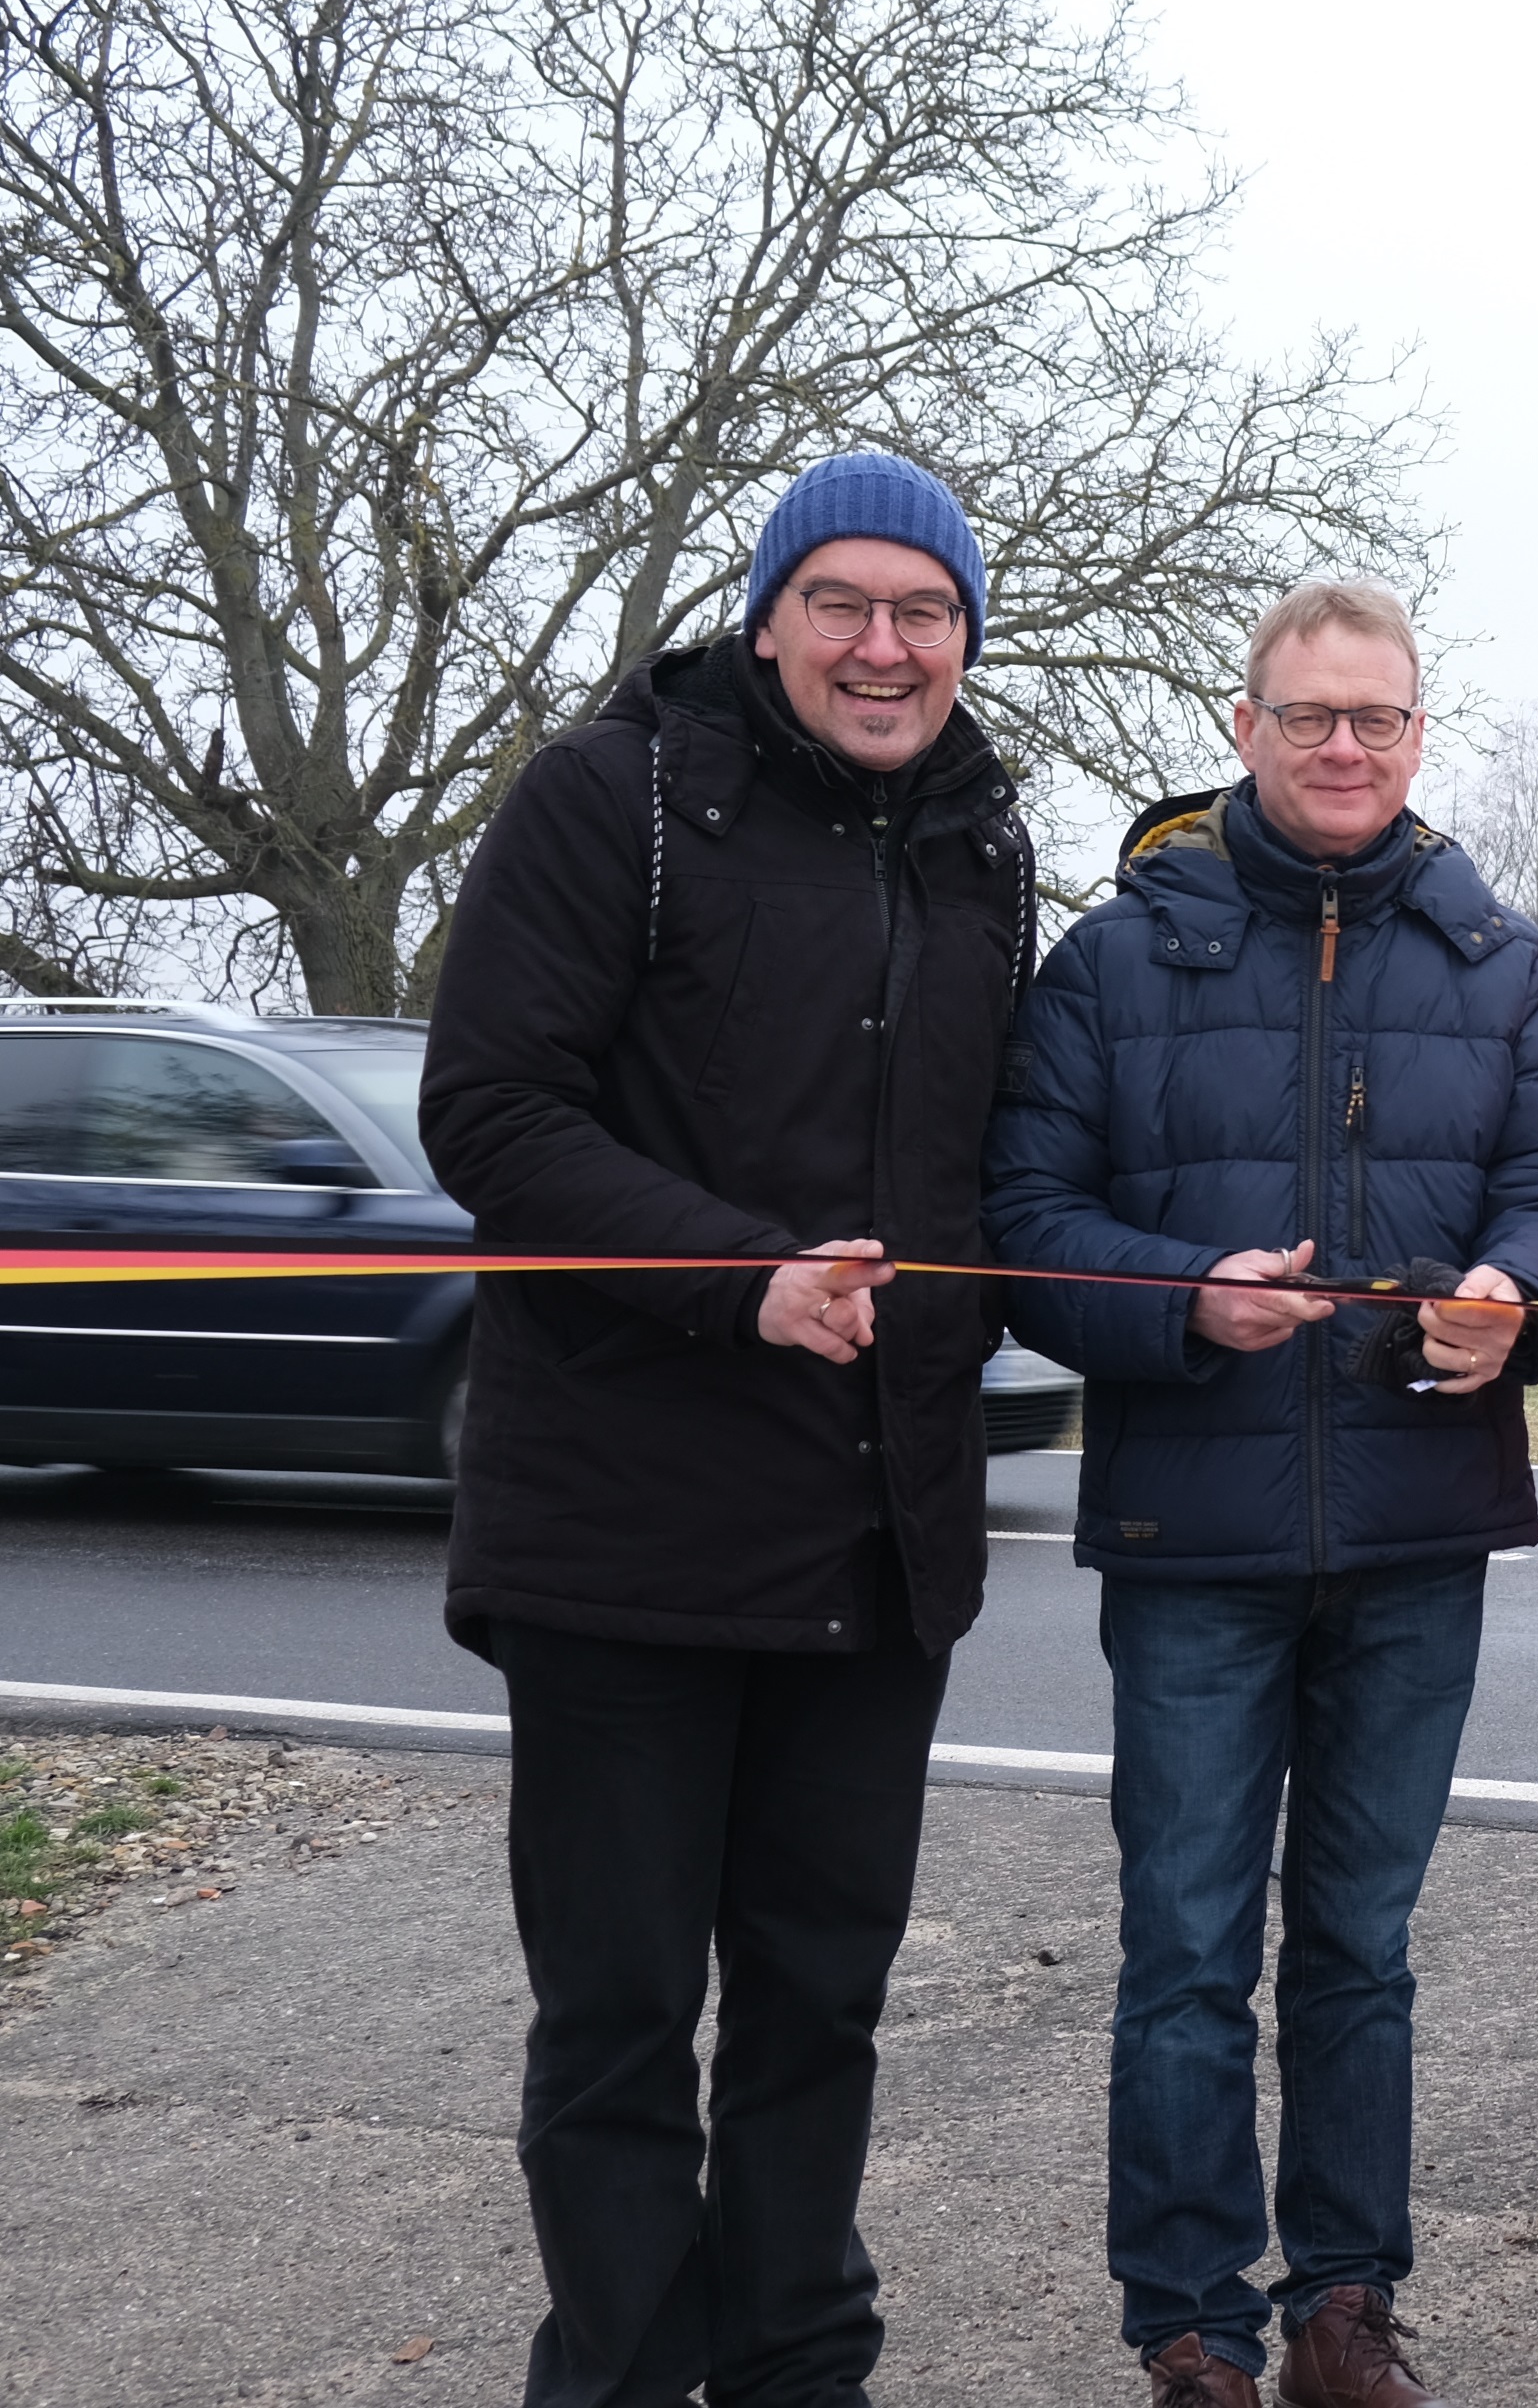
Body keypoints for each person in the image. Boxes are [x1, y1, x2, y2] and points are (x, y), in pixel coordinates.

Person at [421, 451, 1032, 2407]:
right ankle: (613, 2372)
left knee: (817, 2005)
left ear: (962, 637)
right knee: (615, 2019)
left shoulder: (983, 844)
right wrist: (738, 1271)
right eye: (841, 601)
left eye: (922, 608)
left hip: (873, 1542)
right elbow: (493, 1114)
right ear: (765, 615)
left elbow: (984, 1182)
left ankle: (795, 2363)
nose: (882, 642)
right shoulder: (614, 799)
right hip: (622, 1530)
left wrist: (1195, 1286)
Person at [984, 577, 1538, 2408]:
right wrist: (1179, 1302)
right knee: (1184, 1944)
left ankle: (1347, 2301)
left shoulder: (1498, 958)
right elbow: (1024, 1229)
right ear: (1245, 727)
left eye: (1381, 719)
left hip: (1418, 1526)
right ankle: (1190, 2320)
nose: (1347, 748)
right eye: (1310, 716)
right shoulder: (1118, 958)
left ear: (1420, 733)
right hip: (1196, 1530)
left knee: (1359, 1942)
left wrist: (1523, 1302)